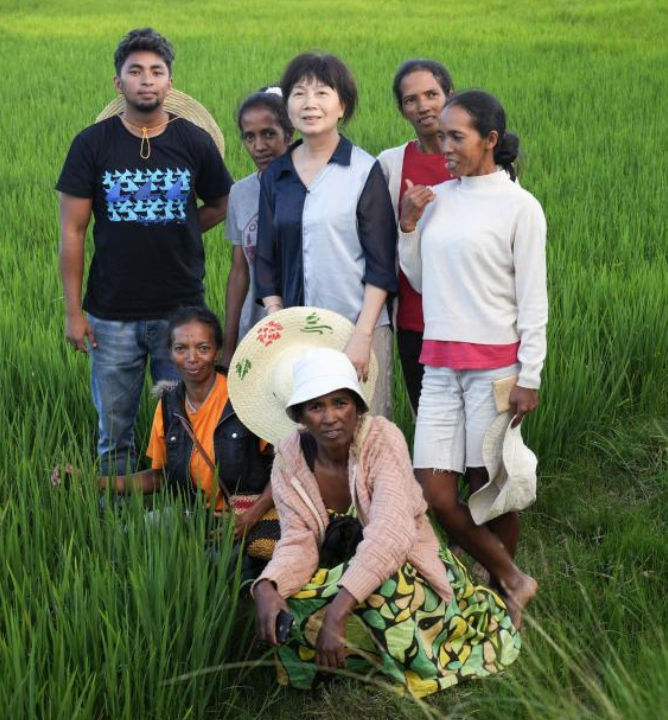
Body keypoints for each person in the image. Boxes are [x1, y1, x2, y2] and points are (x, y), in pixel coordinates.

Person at [249, 348, 520, 697]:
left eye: (340, 403)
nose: (330, 417)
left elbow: (390, 534)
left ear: (357, 406)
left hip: (406, 567)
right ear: (301, 415)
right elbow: (297, 539)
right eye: (316, 407)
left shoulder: (382, 439)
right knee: (288, 601)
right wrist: (267, 587)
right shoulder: (289, 455)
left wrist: (336, 613)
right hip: (341, 569)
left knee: (382, 589)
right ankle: (353, 655)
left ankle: (408, 653)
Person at [56, 28, 233, 485]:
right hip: (111, 312)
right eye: (135, 71)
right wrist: (74, 313)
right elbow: (73, 231)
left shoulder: (194, 142)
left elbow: (221, 203)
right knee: (114, 424)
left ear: (170, 83)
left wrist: (183, 227)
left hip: (181, 310)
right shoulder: (92, 144)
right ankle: (113, 505)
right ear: (119, 84)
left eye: (157, 71)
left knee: (186, 419)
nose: (146, 80)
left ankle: (182, 501)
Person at [398, 90, 546, 622]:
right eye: (442, 136)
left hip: (495, 369)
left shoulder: (519, 206)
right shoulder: (437, 197)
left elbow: (533, 299)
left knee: (491, 487)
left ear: (489, 140)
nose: (445, 146)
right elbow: (417, 278)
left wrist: (529, 375)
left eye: (457, 137)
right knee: (435, 490)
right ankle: (512, 577)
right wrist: (409, 226)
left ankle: (501, 587)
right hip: (438, 365)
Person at [254, 52, 399, 419]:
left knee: (365, 434)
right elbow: (267, 259)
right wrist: (278, 322)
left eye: (322, 93)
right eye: (299, 93)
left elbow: (381, 264)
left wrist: (363, 336)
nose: (310, 103)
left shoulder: (364, 170)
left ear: (342, 106)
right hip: (296, 334)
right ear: (287, 105)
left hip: (357, 326)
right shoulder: (277, 175)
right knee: (302, 437)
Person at [79, 307, 276, 565]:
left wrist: (250, 516)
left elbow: (283, 468)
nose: (192, 357)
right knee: (125, 537)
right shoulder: (169, 405)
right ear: (170, 353)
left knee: (211, 565)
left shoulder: (243, 399)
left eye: (203, 348)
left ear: (217, 351)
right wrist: (93, 481)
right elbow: (160, 477)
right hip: (194, 512)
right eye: (181, 348)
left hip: (244, 516)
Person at [376, 59, 455, 417]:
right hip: (415, 321)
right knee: (431, 427)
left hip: (471, 323)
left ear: (449, 96)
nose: (423, 105)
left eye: (431, 94)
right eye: (411, 100)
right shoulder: (390, 164)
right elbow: (374, 243)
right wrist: (406, 220)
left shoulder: (481, 162)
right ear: (401, 110)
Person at [223, 88, 294, 362]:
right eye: (249, 137)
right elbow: (239, 272)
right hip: (255, 332)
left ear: (289, 133)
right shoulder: (240, 193)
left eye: (268, 134)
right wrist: (229, 346)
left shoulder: (310, 188)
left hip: (302, 328)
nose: (259, 146)